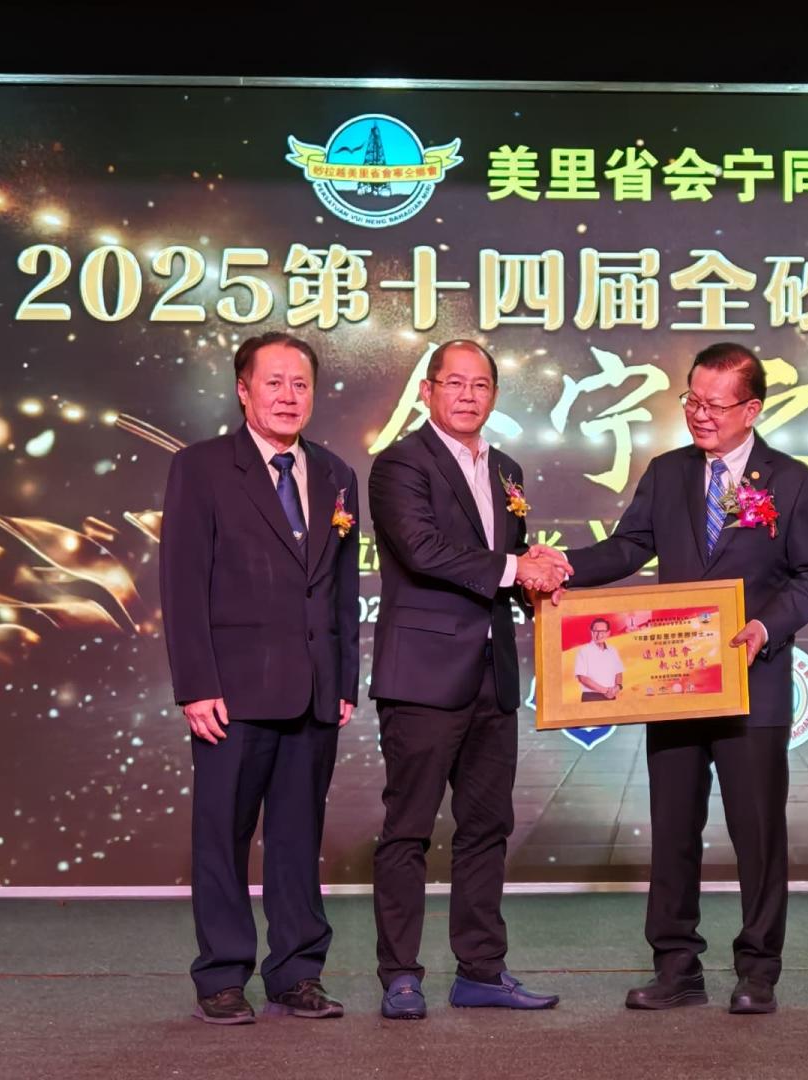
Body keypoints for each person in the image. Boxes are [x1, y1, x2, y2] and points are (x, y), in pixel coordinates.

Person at [557, 342, 808, 1014]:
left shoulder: (794, 481)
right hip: (674, 681)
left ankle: (758, 971)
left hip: (751, 682)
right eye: (691, 400)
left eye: (715, 405)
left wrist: (765, 627)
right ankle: (676, 966)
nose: (699, 415)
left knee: (757, 832)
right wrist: (561, 568)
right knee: (673, 827)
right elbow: (629, 547)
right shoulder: (668, 471)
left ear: (752, 409)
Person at [366, 339, 570, 1020]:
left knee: (486, 827)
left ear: (494, 396)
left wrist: (541, 574)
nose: (467, 395)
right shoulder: (400, 463)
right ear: (427, 392)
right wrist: (517, 568)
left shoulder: (507, 468)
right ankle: (401, 975)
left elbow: (508, 560)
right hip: (423, 676)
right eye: (453, 383)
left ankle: (481, 970)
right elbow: (423, 551)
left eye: (480, 384)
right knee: (408, 830)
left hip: (493, 673)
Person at [160, 331, 360, 1025]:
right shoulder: (202, 467)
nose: (288, 396)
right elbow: (182, 583)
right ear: (243, 391)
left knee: (299, 839)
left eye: (300, 384)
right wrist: (195, 684)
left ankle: (297, 973)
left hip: (314, 692)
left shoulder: (335, 473)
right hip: (233, 693)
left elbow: (340, 591)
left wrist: (343, 681)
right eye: (273, 382)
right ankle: (221, 976)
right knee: (222, 836)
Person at [573, 617, 625, 701]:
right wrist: (605, 690)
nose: (599, 635)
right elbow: (582, 678)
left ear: (608, 633)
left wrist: (618, 686)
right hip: (591, 697)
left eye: (603, 631)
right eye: (596, 631)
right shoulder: (583, 651)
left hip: (611, 696)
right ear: (591, 632)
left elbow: (618, 672)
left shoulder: (613, 650)